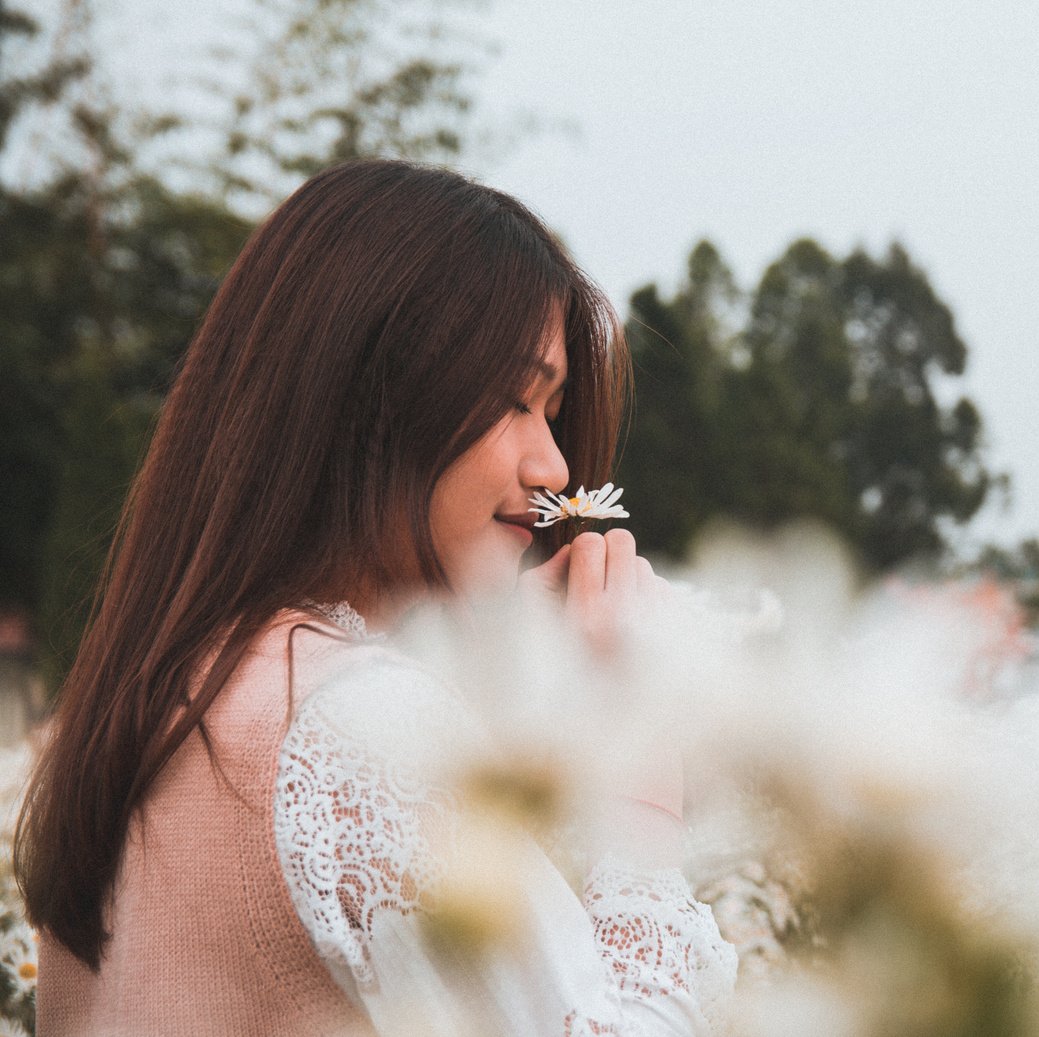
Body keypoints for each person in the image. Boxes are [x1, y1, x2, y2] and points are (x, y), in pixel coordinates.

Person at [15, 159, 738, 1035]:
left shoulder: (154, 698)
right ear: (367, 398)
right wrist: (637, 753)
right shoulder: (358, 724)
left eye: (553, 410)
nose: (553, 467)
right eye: (513, 398)